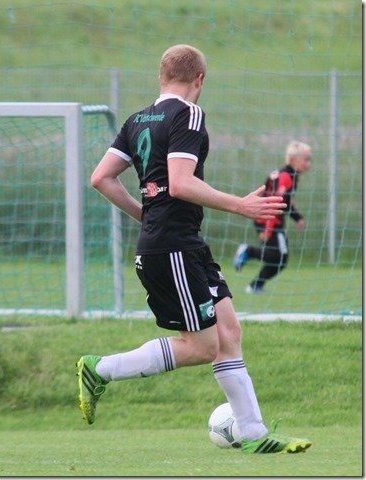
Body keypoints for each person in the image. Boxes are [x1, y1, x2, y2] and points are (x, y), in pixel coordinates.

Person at [77, 44, 311, 454]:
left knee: (229, 332)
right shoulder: (189, 113)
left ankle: (254, 433)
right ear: (199, 79)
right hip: (172, 247)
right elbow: (182, 183)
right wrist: (240, 205)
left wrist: (144, 215)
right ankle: (101, 369)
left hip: (182, 243)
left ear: (161, 76)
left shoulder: (137, 119)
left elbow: (101, 177)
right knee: (202, 346)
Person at [233, 141, 312, 293]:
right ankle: (248, 252)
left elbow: (285, 202)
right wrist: (268, 230)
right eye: (306, 159)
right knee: (281, 256)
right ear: (293, 159)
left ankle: (255, 286)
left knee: (280, 258)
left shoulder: (289, 175)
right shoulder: (286, 177)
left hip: (267, 218)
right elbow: (275, 203)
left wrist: (297, 218)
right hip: (268, 219)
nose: (308, 163)